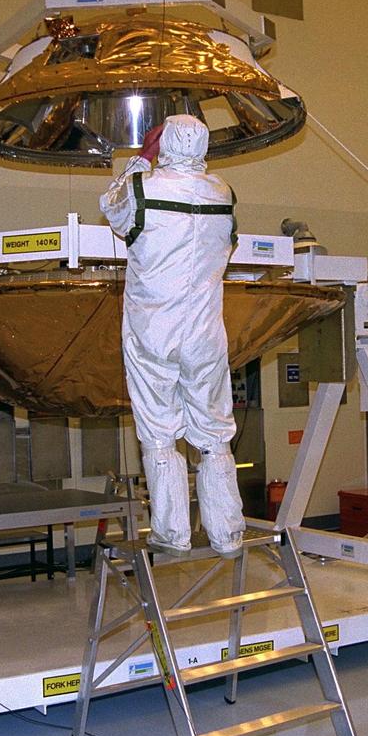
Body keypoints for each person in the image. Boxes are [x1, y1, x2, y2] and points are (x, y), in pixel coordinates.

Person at [100, 115, 244, 558]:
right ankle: (227, 534)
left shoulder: (143, 188)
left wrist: (143, 157)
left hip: (153, 331)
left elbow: (111, 206)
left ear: (164, 144)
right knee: (214, 431)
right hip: (205, 333)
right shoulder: (223, 193)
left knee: (160, 428)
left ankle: (171, 532)